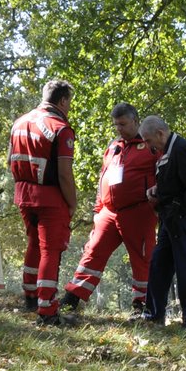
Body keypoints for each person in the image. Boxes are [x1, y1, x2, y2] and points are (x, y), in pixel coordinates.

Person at [61, 103, 159, 317]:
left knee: (142, 259)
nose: (119, 129)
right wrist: (98, 210)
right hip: (108, 211)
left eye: (123, 124)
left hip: (139, 211)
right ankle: (72, 299)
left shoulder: (151, 144)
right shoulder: (114, 146)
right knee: (92, 252)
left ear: (135, 121)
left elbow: (164, 172)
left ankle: (141, 306)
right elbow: (103, 178)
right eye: (116, 125)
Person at [8, 79, 77, 326]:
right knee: (51, 250)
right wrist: (72, 202)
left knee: (34, 244)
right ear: (62, 101)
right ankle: (47, 310)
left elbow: (10, 161)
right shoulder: (60, 127)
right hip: (49, 196)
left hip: (23, 193)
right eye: (69, 101)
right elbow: (64, 173)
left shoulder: (19, 123)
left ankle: (30, 296)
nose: (70, 107)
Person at [140, 115, 186, 327]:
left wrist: (182, 212)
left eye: (149, 141)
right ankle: (154, 314)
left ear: (160, 134)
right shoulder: (166, 152)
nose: (149, 146)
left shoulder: (182, 148)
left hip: (182, 218)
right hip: (168, 218)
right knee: (158, 264)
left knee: (185, 267)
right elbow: (173, 183)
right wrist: (157, 190)